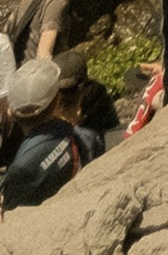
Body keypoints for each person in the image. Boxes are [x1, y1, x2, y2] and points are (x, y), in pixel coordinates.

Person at [0, 61, 104, 211]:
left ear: (12, 112)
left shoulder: (21, 170)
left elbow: (9, 210)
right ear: (57, 102)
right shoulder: (85, 136)